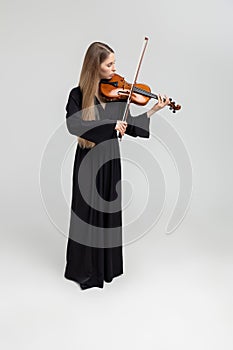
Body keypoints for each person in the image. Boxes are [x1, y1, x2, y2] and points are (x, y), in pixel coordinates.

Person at [64, 41, 170, 290]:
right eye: (109, 64)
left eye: (115, 64)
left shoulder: (117, 94)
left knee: (107, 212)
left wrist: (154, 108)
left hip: (110, 159)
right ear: (95, 66)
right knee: (85, 214)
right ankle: (85, 270)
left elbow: (130, 125)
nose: (114, 69)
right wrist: (109, 128)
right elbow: (73, 125)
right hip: (87, 161)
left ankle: (105, 269)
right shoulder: (77, 95)